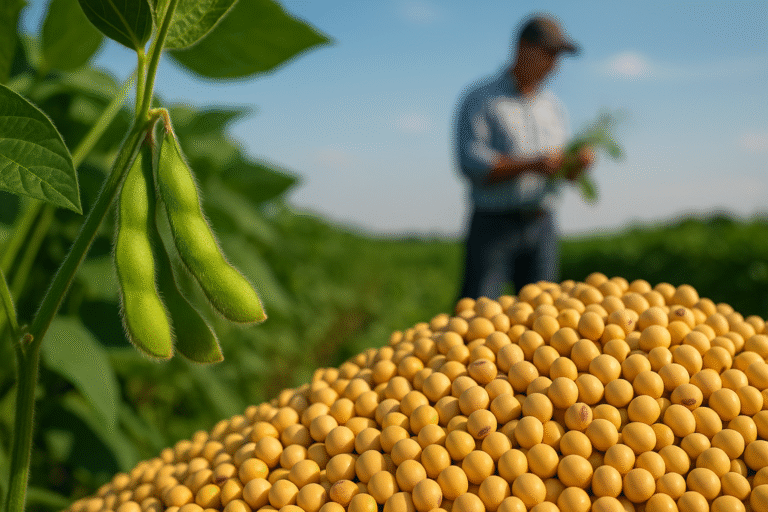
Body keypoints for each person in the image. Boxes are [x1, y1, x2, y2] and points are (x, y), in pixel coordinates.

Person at [454, 13, 595, 300]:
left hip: (541, 223)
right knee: (479, 311)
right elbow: (472, 164)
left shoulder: (553, 108)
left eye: (558, 57)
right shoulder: (481, 99)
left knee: (542, 314)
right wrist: (533, 164)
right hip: (493, 224)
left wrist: (575, 166)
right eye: (548, 53)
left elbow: (559, 172)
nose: (554, 65)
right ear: (522, 48)